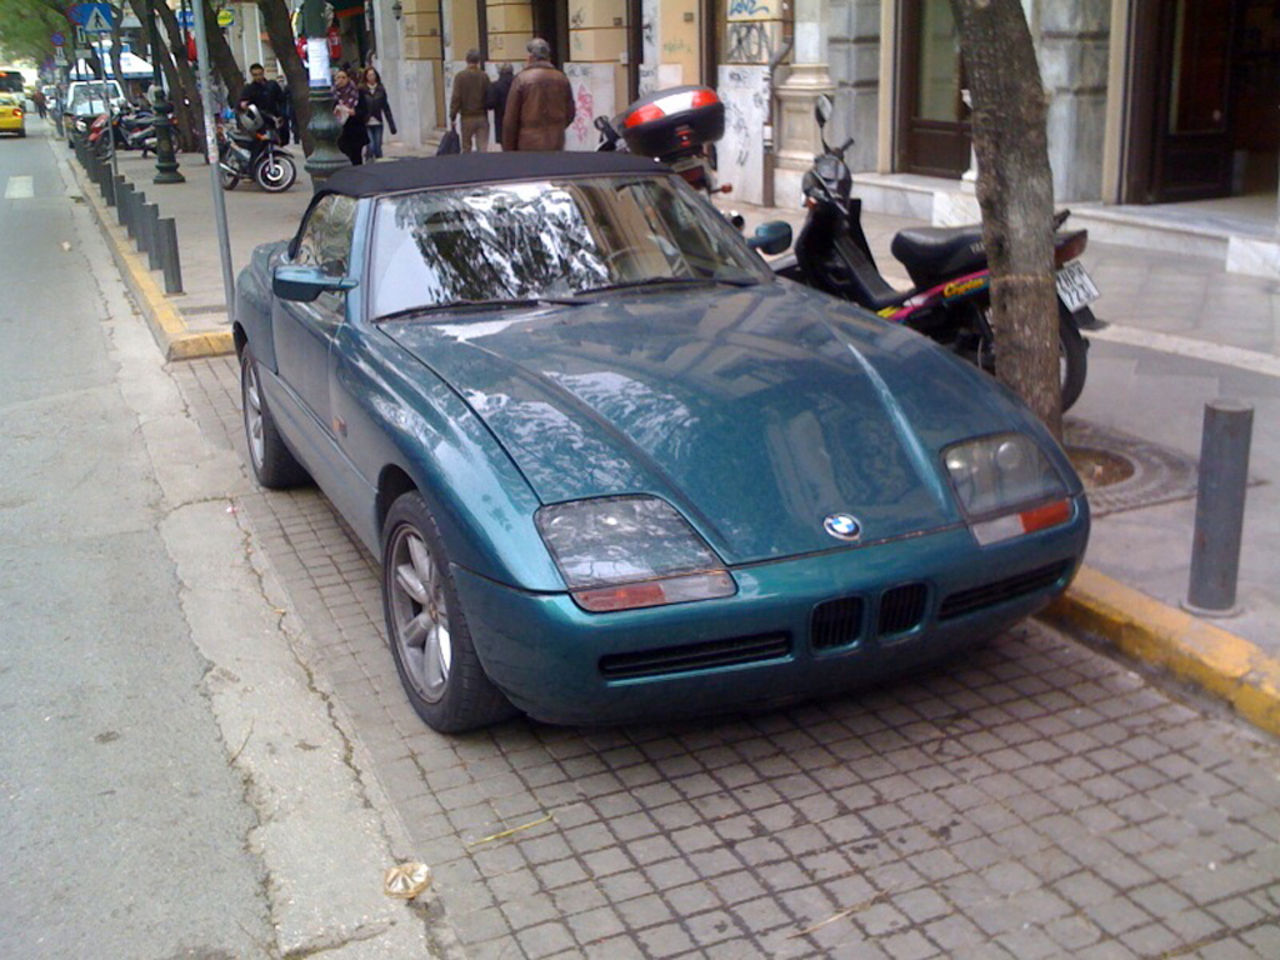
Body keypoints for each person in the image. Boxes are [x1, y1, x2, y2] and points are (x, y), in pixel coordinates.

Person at [501, 38, 574, 152]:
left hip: (528, 143)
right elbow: (570, 113)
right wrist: (557, 128)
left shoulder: (521, 79)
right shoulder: (562, 78)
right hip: (556, 142)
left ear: (530, 57)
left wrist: (509, 149)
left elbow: (510, 119)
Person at [237, 62, 288, 151]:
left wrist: (281, 116)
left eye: (260, 74)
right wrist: (242, 105)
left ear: (263, 72)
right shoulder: (249, 89)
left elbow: (282, 100)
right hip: (259, 124)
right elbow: (241, 104)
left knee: (274, 147)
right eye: (255, 75)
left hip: (273, 121)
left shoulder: (272, 85)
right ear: (252, 75)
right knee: (259, 147)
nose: (258, 77)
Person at [449, 49, 490, 153]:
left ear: (466, 60)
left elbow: (456, 97)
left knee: (466, 148)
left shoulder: (460, 77)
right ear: (478, 61)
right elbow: (489, 95)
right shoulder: (484, 76)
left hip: (466, 118)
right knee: (483, 149)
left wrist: (452, 115)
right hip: (482, 116)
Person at [332, 68, 369, 166]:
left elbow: (364, 110)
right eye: (338, 77)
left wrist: (355, 112)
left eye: (343, 77)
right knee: (344, 157)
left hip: (355, 130)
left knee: (356, 158)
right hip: (341, 131)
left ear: (348, 79)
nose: (341, 80)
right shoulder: (333, 94)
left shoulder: (357, 92)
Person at [361, 66, 396, 160]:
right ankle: (368, 161)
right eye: (369, 75)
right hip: (366, 122)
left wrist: (392, 125)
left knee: (377, 147)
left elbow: (386, 107)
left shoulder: (381, 89)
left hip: (378, 122)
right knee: (371, 145)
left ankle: (379, 164)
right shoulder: (362, 89)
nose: (371, 77)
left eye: (373, 75)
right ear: (366, 77)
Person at [486, 63, 514, 147]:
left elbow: (490, 104)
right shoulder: (519, 83)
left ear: (500, 73)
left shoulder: (495, 86)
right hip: (518, 120)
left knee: (504, 145)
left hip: (501, 120)